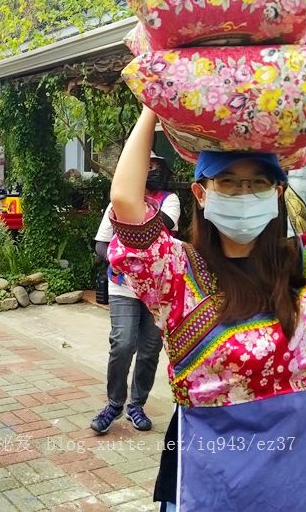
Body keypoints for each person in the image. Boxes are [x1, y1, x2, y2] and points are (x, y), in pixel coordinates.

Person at [107, 107, 306, 511]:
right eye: (227, 183)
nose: (243, 194)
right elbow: (125, 199)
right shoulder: (175, 274)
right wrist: (150, 108)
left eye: (257, 183)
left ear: (277, 192)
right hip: (216, 482)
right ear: (201, 192)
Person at [90, 152, 180, 434]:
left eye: (154, 166)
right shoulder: (115, 204)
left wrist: (133, 198)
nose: (150, 171)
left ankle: (136, 405)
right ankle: (114, 404)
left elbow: (156, 226)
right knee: (123, 343)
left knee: (150, 349)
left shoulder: (170, 200)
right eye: (144, 165)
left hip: (157, 289)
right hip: (122, 284)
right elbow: (102, 244)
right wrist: (122, 262)